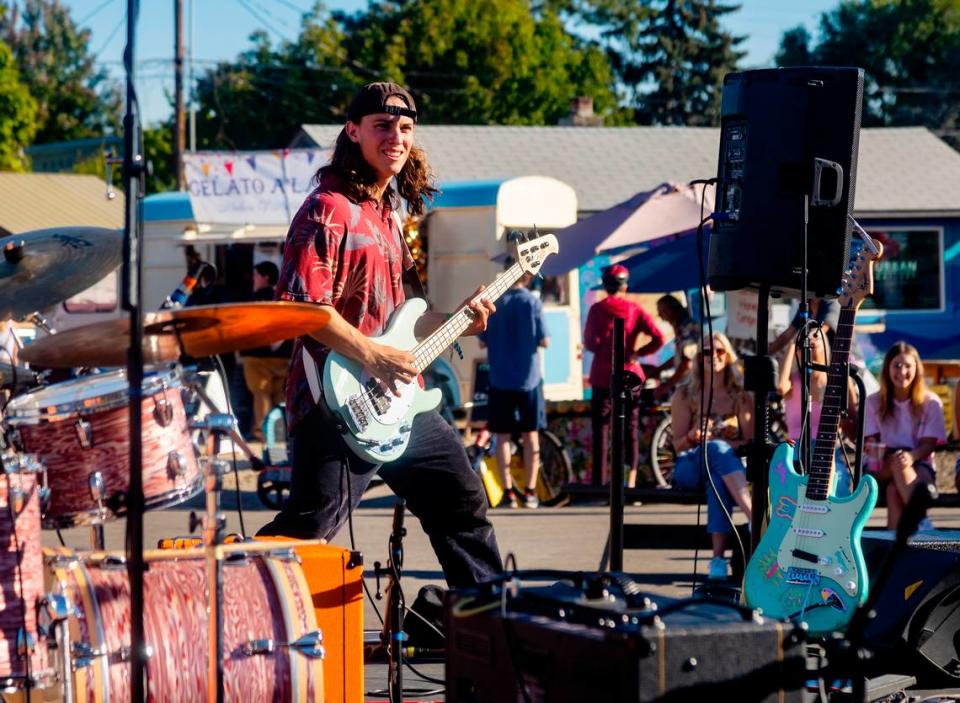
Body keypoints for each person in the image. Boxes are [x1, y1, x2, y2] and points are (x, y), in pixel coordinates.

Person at [256, 82, 503, 588]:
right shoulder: (326, 209)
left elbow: (408, 318)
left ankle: (487, 626)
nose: (397, 137)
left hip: (400, 401)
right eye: (383, 126)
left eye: (406, 128)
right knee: (308, 528)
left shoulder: (391, 214)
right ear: (353, 131)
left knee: (462, 503)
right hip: (335, 403)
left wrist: (459, 319)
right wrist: (371, 355)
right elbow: (299, 309)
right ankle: (239, 614)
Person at [671, 332, 753, 580]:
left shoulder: (740, 395)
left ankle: (717, 561)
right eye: (706, 352)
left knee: (717, 479)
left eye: (719, 351)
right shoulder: (684, 395)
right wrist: (693, 436)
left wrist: (720, 441)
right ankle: (755, 517)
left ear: (728, 356)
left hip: (723, 469)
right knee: (715, 450)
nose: (713, 357)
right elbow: (677, 447)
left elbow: (749, 442)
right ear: (698, 358)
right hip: (689, 465)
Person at [583, 264, 665, 487]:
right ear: (625, 285)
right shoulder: (635, 309)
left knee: (601, 428)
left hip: (603, 375)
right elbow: (659, 337)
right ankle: (630, 482)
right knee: (631, 427)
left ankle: (600, 484)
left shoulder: (597, 310)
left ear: (606, 285)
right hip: (631, 374)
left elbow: (591, 343)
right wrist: (638, 353)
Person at [478, 261, 549, 508]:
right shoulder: (533, 302)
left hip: (499, 378)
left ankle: (508, 492)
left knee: (502, 436)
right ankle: (530, 491)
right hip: (528, 378)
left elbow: (482, 341)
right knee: (531, 436)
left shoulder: (495, 303)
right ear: (527, 277)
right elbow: (545, 340)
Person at [864, 342, 946, 531]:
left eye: (908, 365)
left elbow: (928, 445)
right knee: (895, 463)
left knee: (894, 491)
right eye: (896, 365)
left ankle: (896, 550)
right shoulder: (873, 402)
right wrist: (874, 448)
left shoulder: (930, 402)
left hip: (919, 462)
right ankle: (921, 523)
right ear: (887, 369)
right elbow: (871, 442)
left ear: (917, 369)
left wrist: (910, 457)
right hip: (881, 466)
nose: (902, 371)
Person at [777, 327, 856, 496]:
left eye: (815, 338)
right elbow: (781, 386)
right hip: (796, 446)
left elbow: (853, 417)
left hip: (827, 446)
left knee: (839, 484)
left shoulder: (836, 381)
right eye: (805, 340)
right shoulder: (794, 380)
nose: (810, 341)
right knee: (793, 486)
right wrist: (792, 344)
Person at [241, 261, 291, 442]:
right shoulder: (283, 298)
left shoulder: (254, 300)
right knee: (279, 398)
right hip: (283, 356)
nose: (253, 279)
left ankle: (263, 435)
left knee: (261, 395)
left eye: (256, 275)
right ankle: (279, 437)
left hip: (257, 356)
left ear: (265, 277)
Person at [654, 294, 699, 401]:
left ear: (671, 310)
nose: (660, 316)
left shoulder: (687, 327)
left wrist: (667, 386)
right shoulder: (680, 327)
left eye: (662, 312)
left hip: (693, 385)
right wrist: (659, 369)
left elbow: (687, 362)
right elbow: (680, 356)